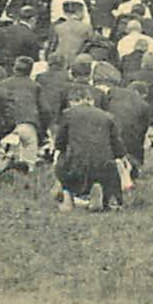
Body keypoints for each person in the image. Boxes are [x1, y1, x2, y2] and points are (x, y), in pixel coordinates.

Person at [53, 83, 127, 212]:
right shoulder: (107, 116)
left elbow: (59, 143)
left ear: (72, 101)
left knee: (62, 161)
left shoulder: (67, 114)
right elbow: (118, 147)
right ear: (91, 101)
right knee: (110, 167)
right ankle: (108, 200)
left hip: (75, 165)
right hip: (103, 166)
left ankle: (68, 198)